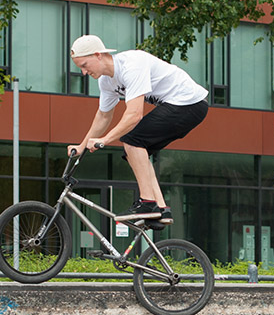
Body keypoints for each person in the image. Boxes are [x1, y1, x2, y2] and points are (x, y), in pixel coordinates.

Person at [67, 35, 209, 227]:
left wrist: (105, 140)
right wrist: (82, 146)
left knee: (133, 140)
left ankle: (148, 203)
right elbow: (103, 116)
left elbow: (134, 114)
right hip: (180, 106)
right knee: (136, 151)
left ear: (98, 55)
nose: (84, 72)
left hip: (189, 103)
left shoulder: (132, 64)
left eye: (84, 65)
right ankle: (161, 208)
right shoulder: (106, 82)